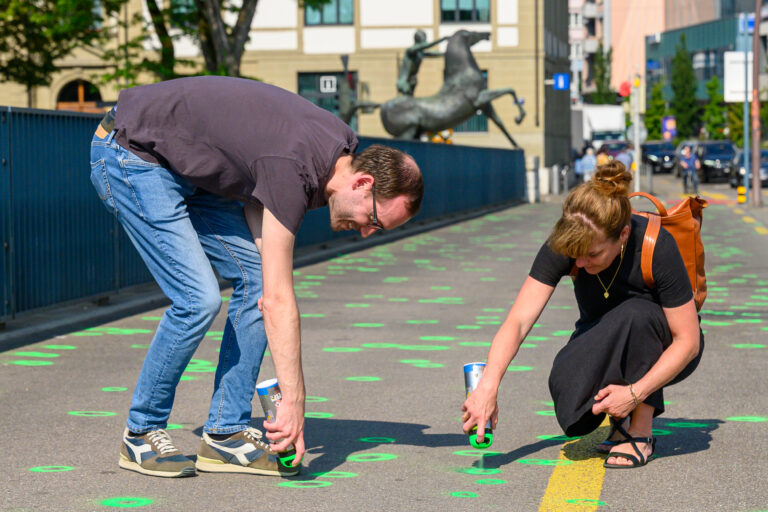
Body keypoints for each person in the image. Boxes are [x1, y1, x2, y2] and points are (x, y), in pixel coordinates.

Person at [89, 76, 424, 478]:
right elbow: (281, 301)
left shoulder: (338, 148)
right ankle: (140, 432)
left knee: (259, 283)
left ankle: (225, 435)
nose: (367, 232)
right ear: (363, 182)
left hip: (194, 175)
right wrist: (294, 404)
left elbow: (259, 222)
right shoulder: (296, 166)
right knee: (198, 299)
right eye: (373, 219)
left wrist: (269, 291)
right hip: (132, 153)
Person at [462, 162, 702, 468]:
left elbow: (688, 341)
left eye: (592, 254)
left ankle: (640, 432)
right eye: (575, 253)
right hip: (604, 332)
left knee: (638, 314)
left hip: (664, 341)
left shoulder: (657, 246)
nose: (581, 261)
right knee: (570, 401)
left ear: (624, 234)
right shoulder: (572, 243)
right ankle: (620, 421)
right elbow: (518, 322)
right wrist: (488, 388)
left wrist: (634, 394)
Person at [396, 30, 447, 96]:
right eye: (424, 39)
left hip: (412, 81)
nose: (425, 41)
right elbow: (425, 46)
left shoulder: (421, 53)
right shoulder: (410, 50)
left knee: (410, 100)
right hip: (404, 81)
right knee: (405, 101)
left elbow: (434, 54)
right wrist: (442, 40)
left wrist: (447, 53)